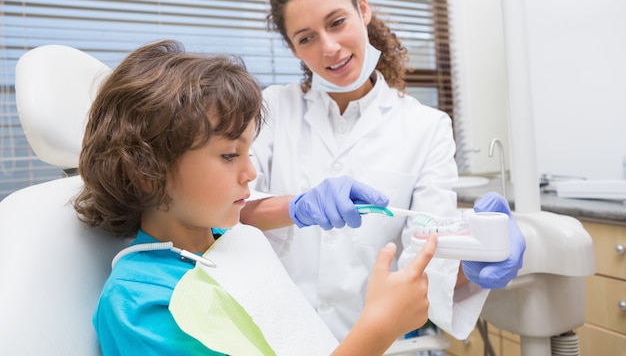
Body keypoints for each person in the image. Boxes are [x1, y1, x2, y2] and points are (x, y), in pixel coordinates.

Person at [73, 39, 439, 356]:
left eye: (249, 152)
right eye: (230, 155)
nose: (252, 172)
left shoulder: (232, 245)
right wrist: (376, 330)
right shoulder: (141, 305)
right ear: (146, 173)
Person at [240, 0, 526, 342]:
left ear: (362, 9)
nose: (329, 48)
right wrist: (296, 207)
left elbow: (427, 255)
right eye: (306, 38)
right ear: (294, 49)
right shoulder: (270, 109)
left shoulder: (427, 128)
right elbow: (227, 212)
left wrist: (480, 256)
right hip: (274, 341)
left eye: (337, 22)